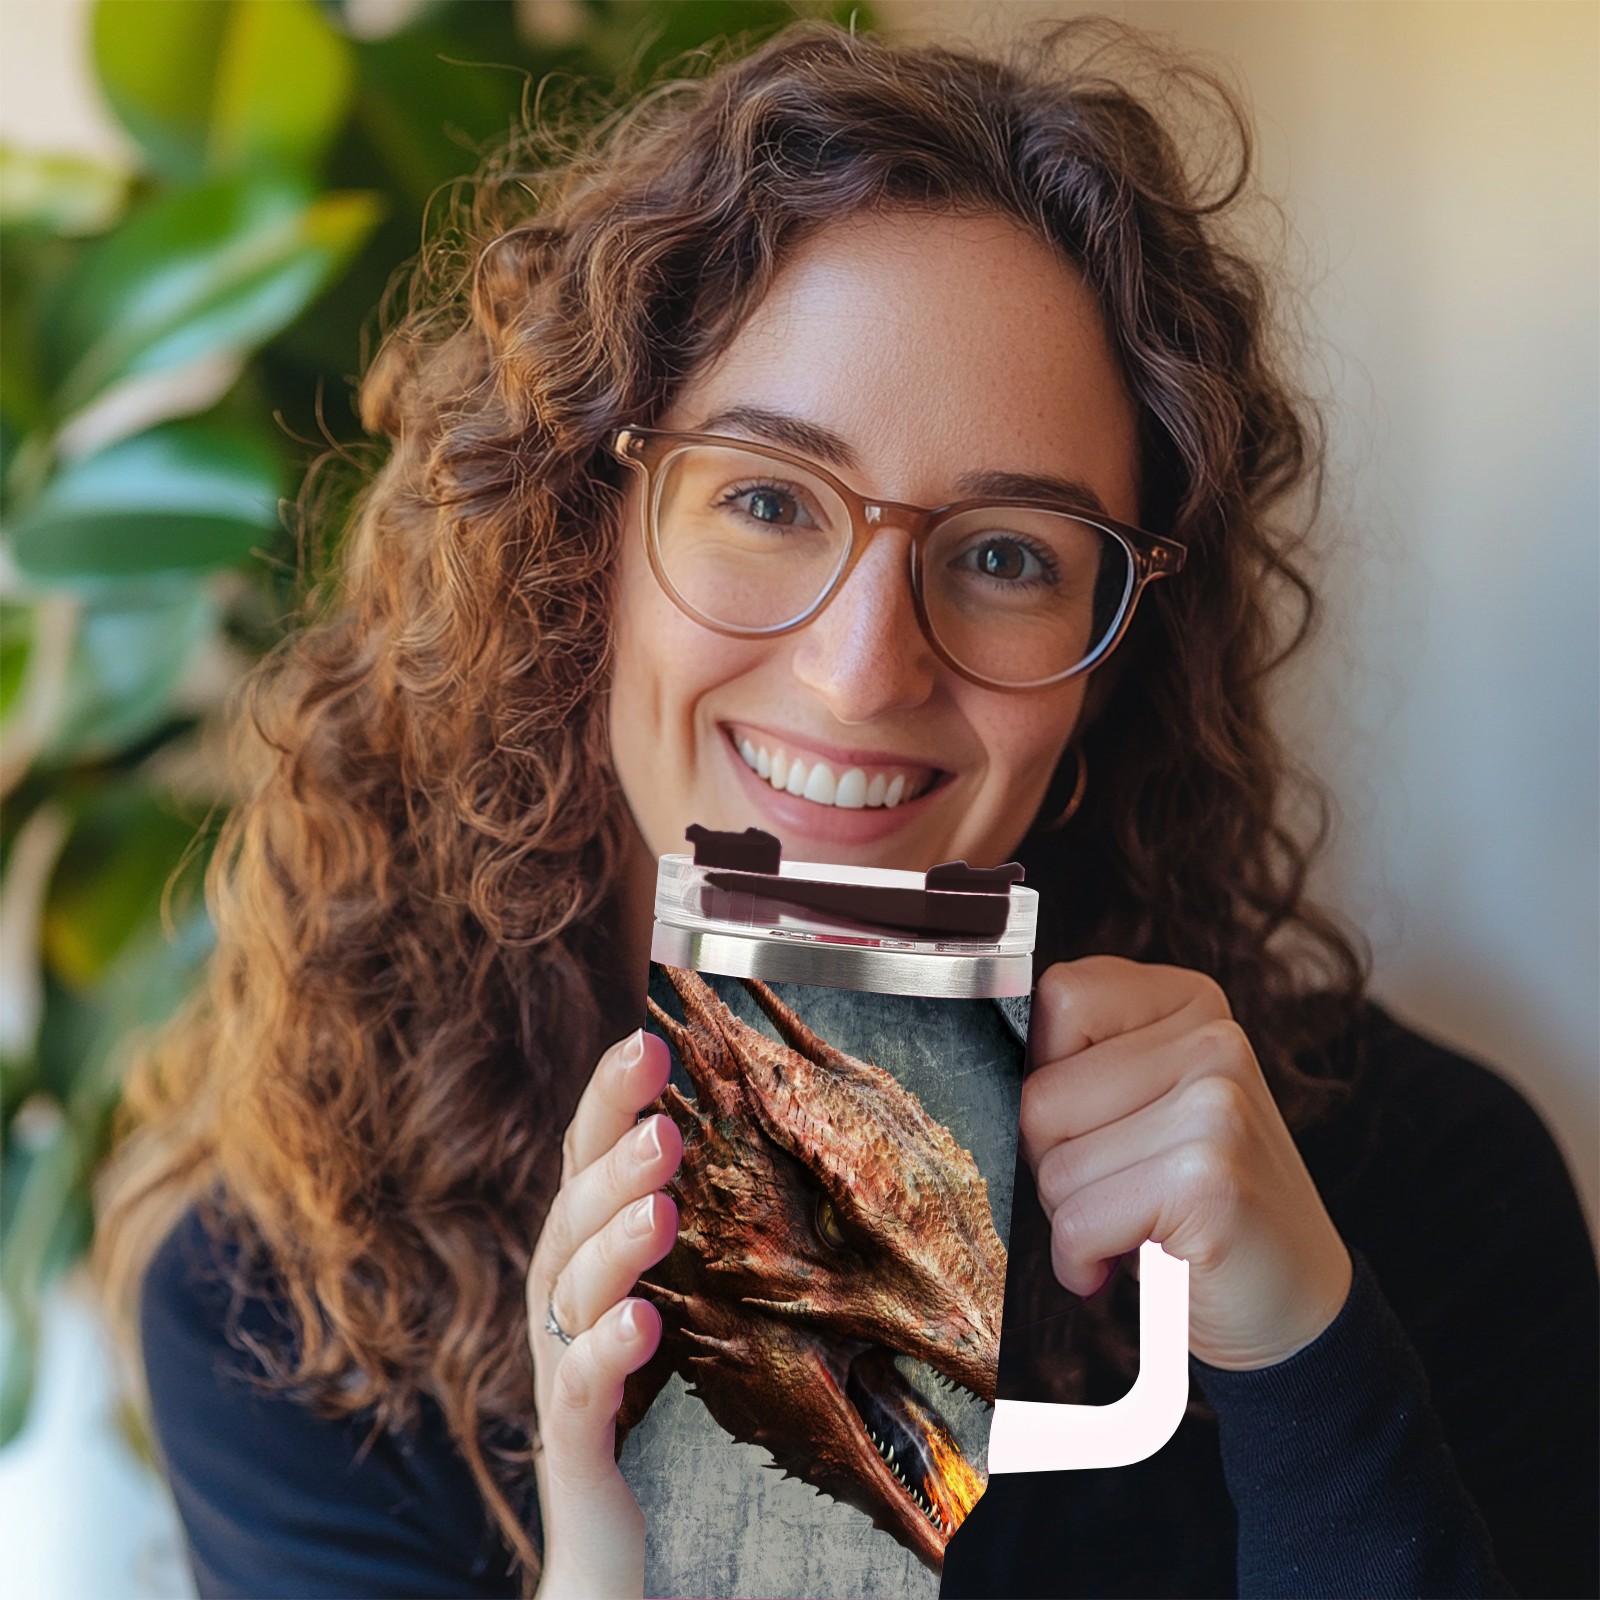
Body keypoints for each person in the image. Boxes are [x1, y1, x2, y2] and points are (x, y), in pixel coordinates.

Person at [96, 18, 1597, 1600]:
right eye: (765, 499)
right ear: (580, 550)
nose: (864, 671)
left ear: (1113, 662)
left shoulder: (1419, 1193)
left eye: (1007, 553)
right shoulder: (295, 1301)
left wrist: (1306, 1368)